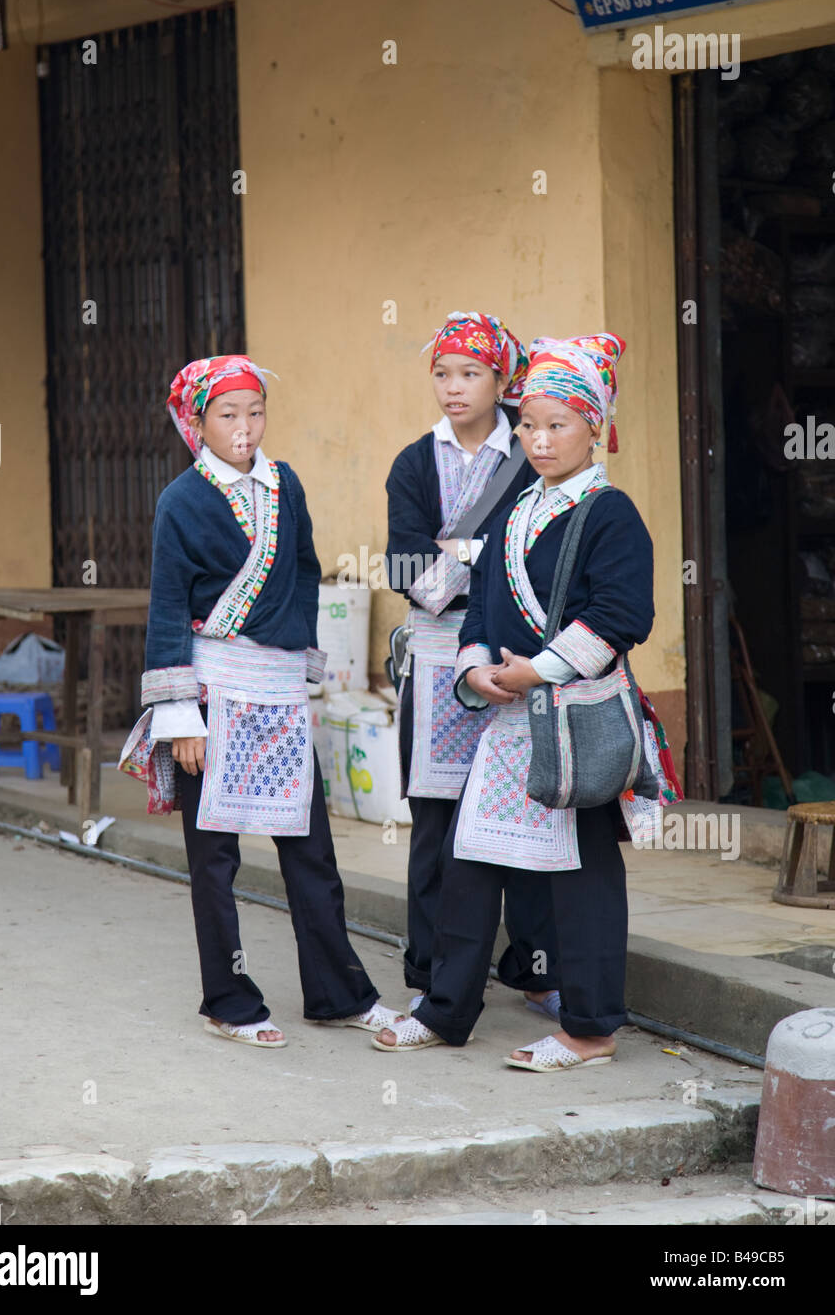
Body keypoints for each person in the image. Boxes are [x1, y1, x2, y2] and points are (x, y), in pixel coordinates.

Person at [374, 333, 681, 1066]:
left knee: (584, 877)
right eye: (530, 426)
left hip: (576, 725)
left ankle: (590, 1028)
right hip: (508, 722)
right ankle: (447, 1009)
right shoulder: (516, 512)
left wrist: (536, 671)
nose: (539, 441)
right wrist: (478, 666)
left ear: (595, 428)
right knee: (471, 861)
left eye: (558, 425)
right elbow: (479, 606)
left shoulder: (610, 513)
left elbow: (619, 617)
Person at [119, 355, 402, 1047]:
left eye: (255, 412)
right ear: (197, 423)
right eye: (227, 414)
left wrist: (292, 659)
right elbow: (166, 612)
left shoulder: (286, 487)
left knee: (309, 849)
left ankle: (338, 992)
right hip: (212, 698)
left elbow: (304, 572)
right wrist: (180, 716)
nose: (244, 427)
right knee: (215, 859)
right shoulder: (180, 503)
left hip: (275, 694)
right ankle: (230, 999)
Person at [385, 312, 557, 1019]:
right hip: (434, 661)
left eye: (471, 374)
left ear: (501, 379)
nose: (452, 389)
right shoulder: (413, 463)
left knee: (529, 814)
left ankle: (536, 966)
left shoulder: (533, 448)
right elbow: (409, 574)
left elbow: (545, 552)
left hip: (519, 654)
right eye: (442, 373)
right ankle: (433, 971)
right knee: (437, 821)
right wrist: (480, 555)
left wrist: (452, 553)